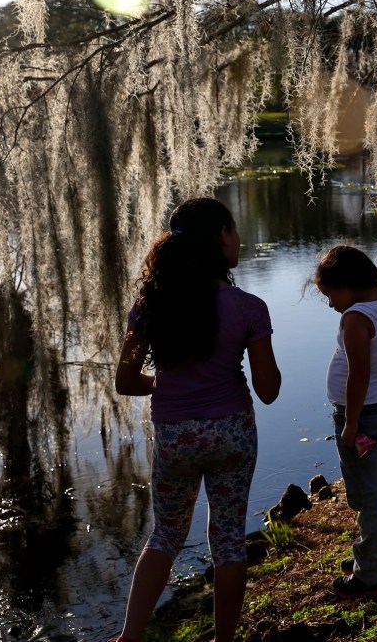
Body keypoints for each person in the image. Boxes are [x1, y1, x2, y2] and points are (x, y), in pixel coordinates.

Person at [110, 198, 282, 642]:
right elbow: (268, 390)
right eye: (235, 231)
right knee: (227, 541)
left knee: (164, 536)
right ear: (221, 237)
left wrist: (166, 385)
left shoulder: (150, 305)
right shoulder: (249, 307)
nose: (240, 239)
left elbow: (126, 381)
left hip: (175, 435)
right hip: (232, 432)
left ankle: (128, 637)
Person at [312, 244, 377, 600]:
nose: (331, 304)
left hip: (363, 415)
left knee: (367, 496)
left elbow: (357, 377)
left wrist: (350, 424)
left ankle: (371, 574)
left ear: (347, 283)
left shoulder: (357, 318)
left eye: (331, 294)